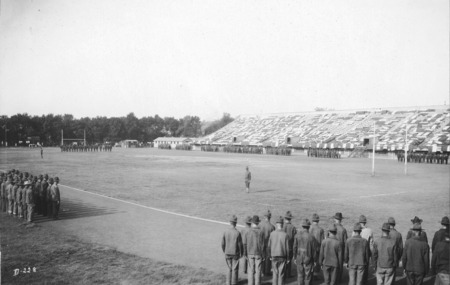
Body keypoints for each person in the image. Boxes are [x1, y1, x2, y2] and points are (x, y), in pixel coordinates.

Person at [293, 219, 317, 285]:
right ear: (309, 227)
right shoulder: (312, 237)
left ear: (302, 226)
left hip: (299, 257)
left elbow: (294, 247)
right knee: (308, 276)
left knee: (300, 275)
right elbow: (314, 250)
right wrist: (315, 260)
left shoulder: (297, 235)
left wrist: (294, 257)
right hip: (308, 258)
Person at [222, 215, 244, 285]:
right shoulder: (237, 233)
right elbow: (240, 245)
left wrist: (224, 250)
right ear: (236, 223)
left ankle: (228, 282)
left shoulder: (225, 231)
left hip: (227, 252)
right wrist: (241, 253)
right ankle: (234, 282)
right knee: (235, 269)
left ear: (230, 222)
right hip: (235, 254)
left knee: (229, 268)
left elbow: (222, 243)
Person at [244, 215, 266, 285]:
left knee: (250, 270)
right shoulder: (261, 232)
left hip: (250, 253)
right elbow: (263, 245)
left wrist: (245, 254)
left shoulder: (248, 231)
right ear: (258, 222)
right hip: (259, 253)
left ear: (252, 222)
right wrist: (263, 255)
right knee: (258, 270)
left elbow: (245, 244)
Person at [268, 216, 290, 285]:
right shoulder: (285, 235)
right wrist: (288, 258)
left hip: (274, 256)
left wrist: (270, 256)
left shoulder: (272, 234)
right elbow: (287, 248)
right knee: (281, 274)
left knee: (275, 273)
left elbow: (269, 246)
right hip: (282, 257)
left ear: (276, 224)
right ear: (282, 225)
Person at [329, 212, 347, 282]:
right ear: (341, 220)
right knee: (339, 264)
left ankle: (331, 278)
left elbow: (327, 238)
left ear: (335, 219)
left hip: (331, 248)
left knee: (331, 263)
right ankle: (338, 279)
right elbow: (345, 242)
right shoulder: (343, 229)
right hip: (340, 249)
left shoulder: (331, 227)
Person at [310, 213, 325, 280]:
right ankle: (315, 274)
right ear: (318, 221)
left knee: (310, 260)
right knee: (317, 261)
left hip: (310, 247)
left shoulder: (309, 227)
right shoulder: (321, 229)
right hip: (317, 247)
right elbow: (322, 241)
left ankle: (309, 273)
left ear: (312, 220)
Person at [359, 215, 374, 285]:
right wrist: (371, 255)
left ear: (360, 222)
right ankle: (364, 281)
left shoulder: (356, 230)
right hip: (366, 252)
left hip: (358, 252)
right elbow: (371, 244)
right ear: (365, 222)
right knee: (365, 268)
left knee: (359, 268)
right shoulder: (369, 231)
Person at [261, 210, 275, 276]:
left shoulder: (261, 225)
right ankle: (267, 271)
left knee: (262, 256)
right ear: (270, 217)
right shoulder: (272, 227)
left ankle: (262, 270)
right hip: (269, 244)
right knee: (268, 257)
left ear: (265, 217)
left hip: (262, 243)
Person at [283, 211, 297, 279]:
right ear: (290, 219)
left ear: (285, 219)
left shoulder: (282, 226)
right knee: (289, 261)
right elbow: (295, 238)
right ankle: (288, 274)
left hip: (282, 246)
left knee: (283, 260)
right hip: (290, 246)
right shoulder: (293, 227)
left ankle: (283, 273)